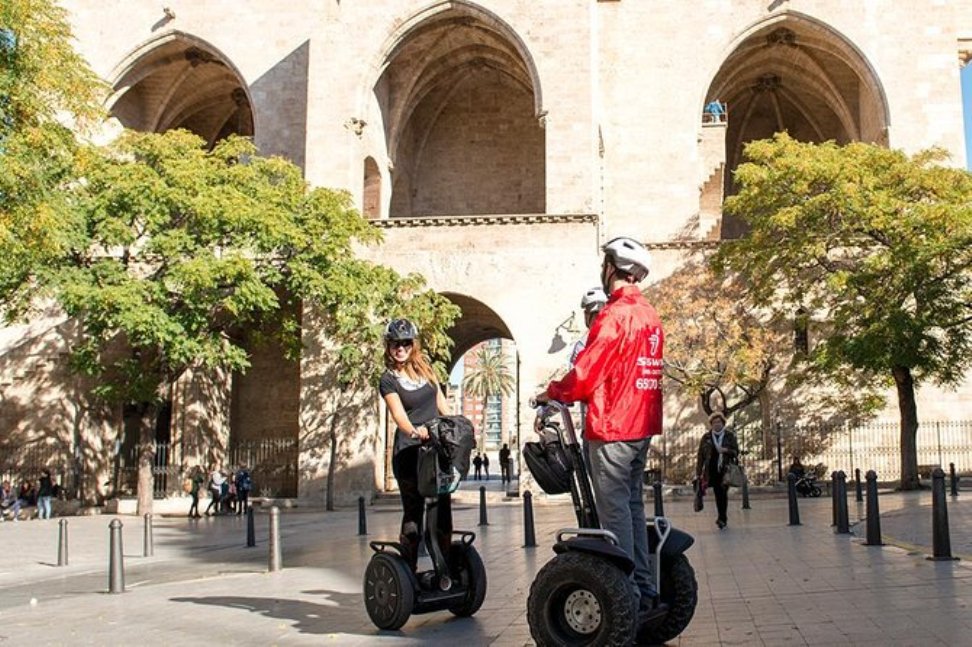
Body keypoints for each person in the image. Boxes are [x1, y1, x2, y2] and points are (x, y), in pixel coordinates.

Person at [540, 236, 665, 622]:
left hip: (613, 426)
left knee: (613, 517)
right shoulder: (650, 315)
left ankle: (624, 594)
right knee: (631, 509)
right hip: (642, 426)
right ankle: (644, 588)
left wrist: (552, 392)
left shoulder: (614, 315)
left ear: (611, 268)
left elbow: (586, 372)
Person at [378, 318, 452, 573]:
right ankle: (408, 572)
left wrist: (454, 425)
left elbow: (442, 405)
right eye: (395, 344)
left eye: (405, 343)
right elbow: (398, 415)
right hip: (410, 451)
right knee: (414, 512)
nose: (400, 348)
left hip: (435, 448)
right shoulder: (388, 379)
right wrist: (414, 431)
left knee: (442, 508)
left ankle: (446, 568)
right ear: (388, 346)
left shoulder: (426, 371)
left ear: (413, 345)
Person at [695, 411, 739, 530]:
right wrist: (698, 473)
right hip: (711, 470)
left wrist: (725, 450)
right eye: (714, 422)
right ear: (711, 424)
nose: (717, 424)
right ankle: (721, 516)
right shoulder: (706, 437)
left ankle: (722, 518)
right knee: (717, 493)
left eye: (719, 422)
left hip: (725, 470)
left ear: (723, 423)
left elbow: (736, 451)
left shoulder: (729, 436)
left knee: (722, 494)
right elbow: (701, 456)